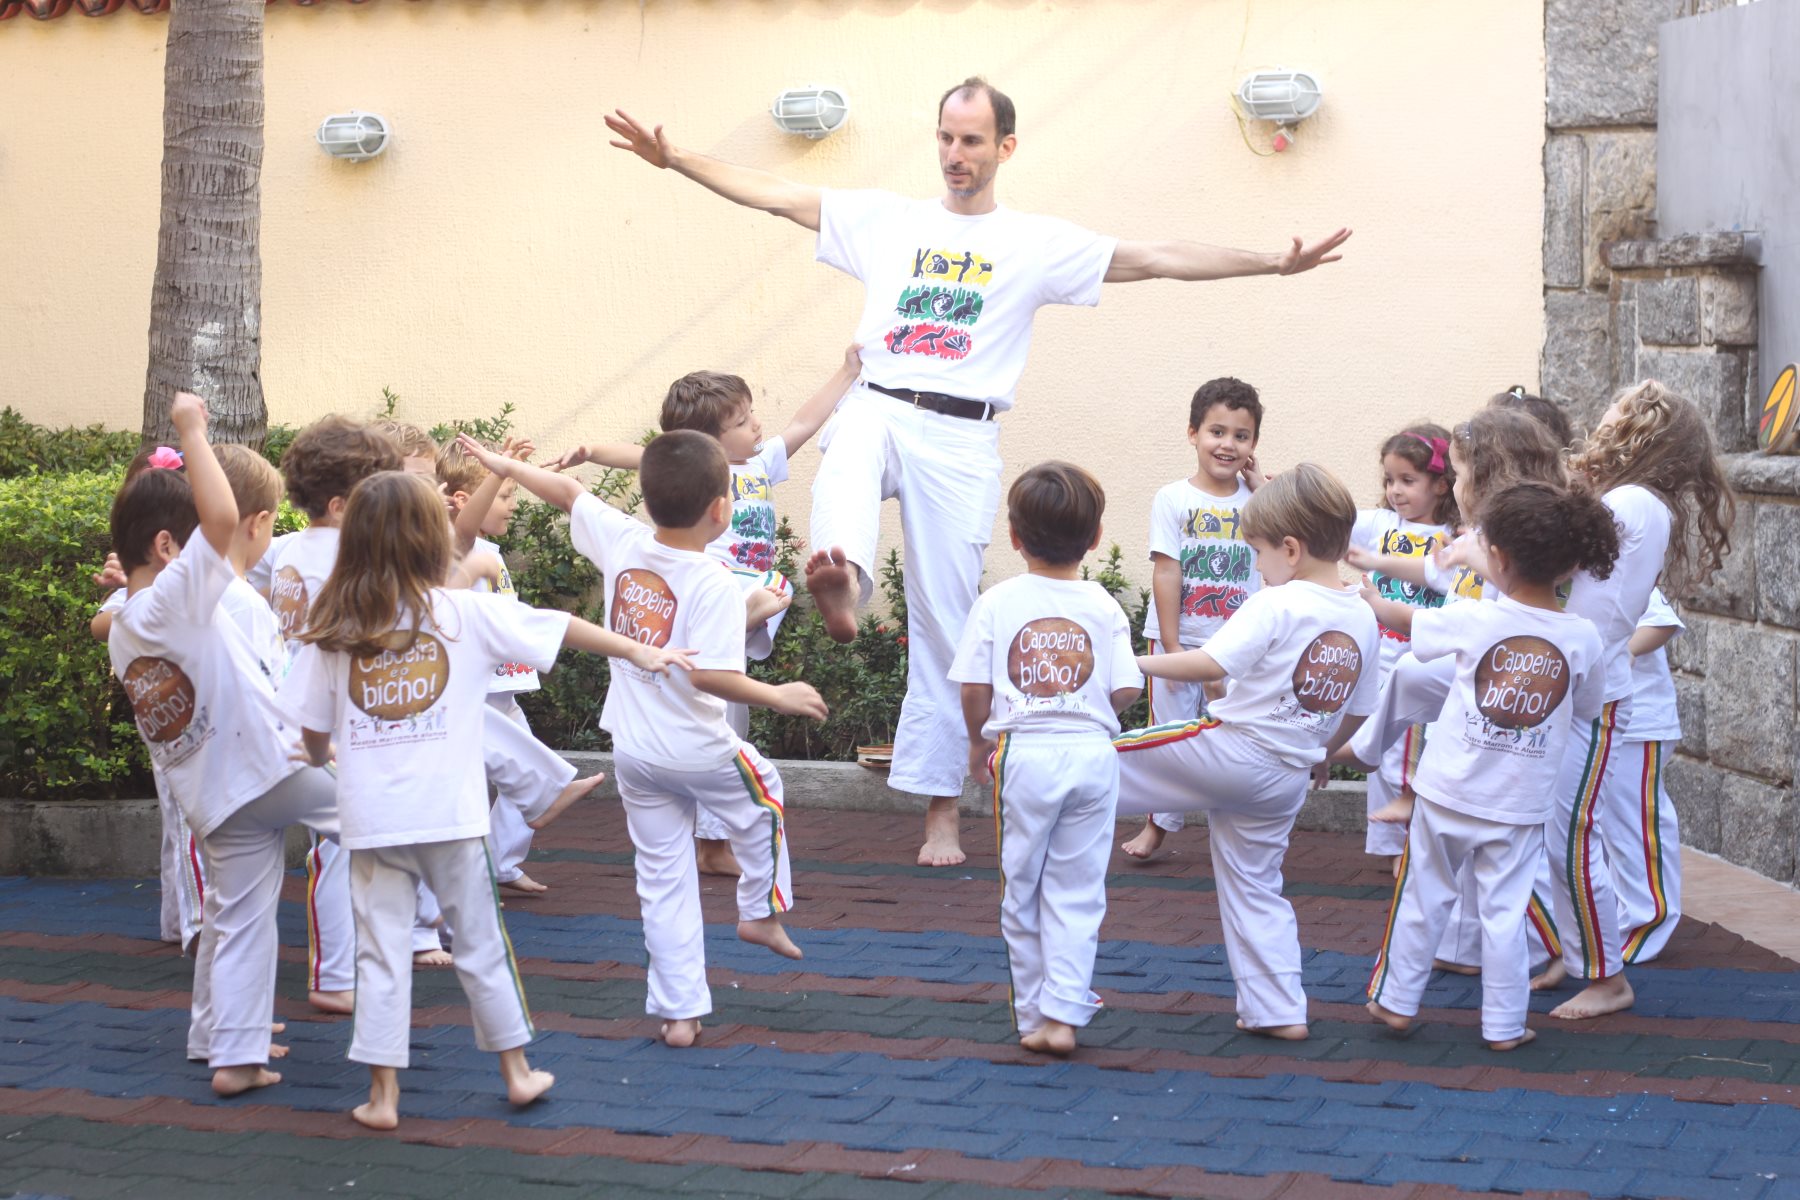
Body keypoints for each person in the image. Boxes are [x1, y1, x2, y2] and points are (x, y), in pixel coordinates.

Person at [605, 77, 1350, 868]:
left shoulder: (1034, 242)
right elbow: (779, 195)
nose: (955, 156)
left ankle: (940, 818)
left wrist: (1273, 262)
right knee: (847, 453)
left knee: (946, 625)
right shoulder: (888, 219)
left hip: (962, 437)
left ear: (1005, 147)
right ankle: (845, 584)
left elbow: (1154, 256)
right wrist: (675, 157)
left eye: (970, 141)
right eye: (945, 138)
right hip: (882, 399)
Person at [278, 469, 691, 1130]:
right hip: (452, 816)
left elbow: (312, 731)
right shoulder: (464, 614)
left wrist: (329, 755)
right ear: (428, 541)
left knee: (380, 955)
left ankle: (382, 1098)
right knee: (481, 945)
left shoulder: (337, 630)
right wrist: (639, 650)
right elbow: (557, 626)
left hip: (372, 819)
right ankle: (518, 1073)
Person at [457, 431, 828, 1049]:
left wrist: (507, 467)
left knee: (662, 877)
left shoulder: (625, 539)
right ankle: (760, 912)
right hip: (699, 749)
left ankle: (679, 1014)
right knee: (764, 792)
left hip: (634, 751)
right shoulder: (712, 580)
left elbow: (570, 493)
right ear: (719, 510)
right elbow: (709, 674)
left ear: (648, 498)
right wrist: (778, 693)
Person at [107, 392, 345, 1098]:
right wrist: (192, 429)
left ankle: (229, 1050)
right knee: (384, 814)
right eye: (195, 548)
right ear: (165, 549)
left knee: (238, 916)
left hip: (216, 795)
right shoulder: (172, 599)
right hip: (266, 769)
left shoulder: (126, 625)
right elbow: (220, 518)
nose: (218, 547)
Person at [551, 348, 863, 876]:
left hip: (740, 595)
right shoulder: (698, 468)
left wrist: (848, 372)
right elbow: (645, 454)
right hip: (707, 586)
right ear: (707, 446)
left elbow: (806, 421)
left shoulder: (762, 461)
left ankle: (713, 844)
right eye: (741, 421)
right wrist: (593, 450)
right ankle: (715, 842)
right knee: (728, 690)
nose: (756, 424)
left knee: (727, 712)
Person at [1114, 464, 1380, 1041]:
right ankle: (1278, 1010)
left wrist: (1128, 664)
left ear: (1290, 548)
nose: (1256, 568)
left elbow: (1210, 664)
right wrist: (1322, 752)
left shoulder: (1277, 603)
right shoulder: (1361, 614)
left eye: (1257, 554)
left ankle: (1012, 770)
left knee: (1100, 762)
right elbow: (1359, 709)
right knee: (1257, 888)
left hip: (1232, 751)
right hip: (1285, 776)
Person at [1365, 480, 1616, 1050]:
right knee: (1505, 917)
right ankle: (1503, 1026)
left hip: (1446, 790)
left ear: (1496, 558)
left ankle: (1398, 1001)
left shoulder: (1474, 618)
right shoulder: (1583, 638)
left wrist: (1371, 601)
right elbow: (1587, 706)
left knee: (1422, 896)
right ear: (1573, 562)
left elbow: (1409, 625)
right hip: (1520, 803)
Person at [1539, 380, 1733, 1020]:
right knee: (1557, 831)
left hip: (1592, 692)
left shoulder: (1628, 502)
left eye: (1617, 414)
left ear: (1640, 433)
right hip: (1578, 684)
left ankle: (1606, 974)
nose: (1602, 421)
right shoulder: (1627, 499)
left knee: (1574, 835)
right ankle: (1579, 951)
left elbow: (1593, 603)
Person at [951, 462, 1143, 1056]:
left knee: (1022, 887)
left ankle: (1035, 1015)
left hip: (1024, 754)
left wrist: (979, 740)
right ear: (1096, 537)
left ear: (1013, 536)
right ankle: (1064, 1012)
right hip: (1091, 754)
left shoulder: (997, 602)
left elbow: (974, 688)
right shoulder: (1104, 604)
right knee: (1078, 888)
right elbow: (1128, 689)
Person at [1120, 378, 1265, 861]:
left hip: (1240, 648)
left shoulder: (1259, 503)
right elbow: (1167, 570)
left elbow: (1289, 545)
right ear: (1192, 433)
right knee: (1170, 735)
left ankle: (1236, 827)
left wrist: (1262, 489)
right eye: (1216, 432)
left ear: (1253, 445)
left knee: (1237, 735)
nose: (1227, 444)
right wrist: (1171, 643)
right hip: (1180, 642)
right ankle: (1158, 825)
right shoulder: (1173, 498)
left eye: (1240, 436)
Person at [1343, 424, 1458, 861]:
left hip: (1420, 663)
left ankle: (1410, 846)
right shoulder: (1381, 524)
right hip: (1377, 661)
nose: (1395, 491)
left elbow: (1443, 579)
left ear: (1441, 484)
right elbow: (1329, 519)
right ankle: (1389, 843)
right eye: (1389, 480)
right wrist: (1265, 486)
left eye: (1408, 480)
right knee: (1379, 753)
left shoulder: (1452, 537)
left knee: (1409, 755)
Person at [1611, 589, 1684, 964]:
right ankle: (1622, 918)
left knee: (1637, 825)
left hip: (1639, 723)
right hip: (1604, 721)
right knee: (1610, 829)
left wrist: (1626, 653)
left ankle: (1647, 923)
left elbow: (1662, 621)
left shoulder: (1620, 566)